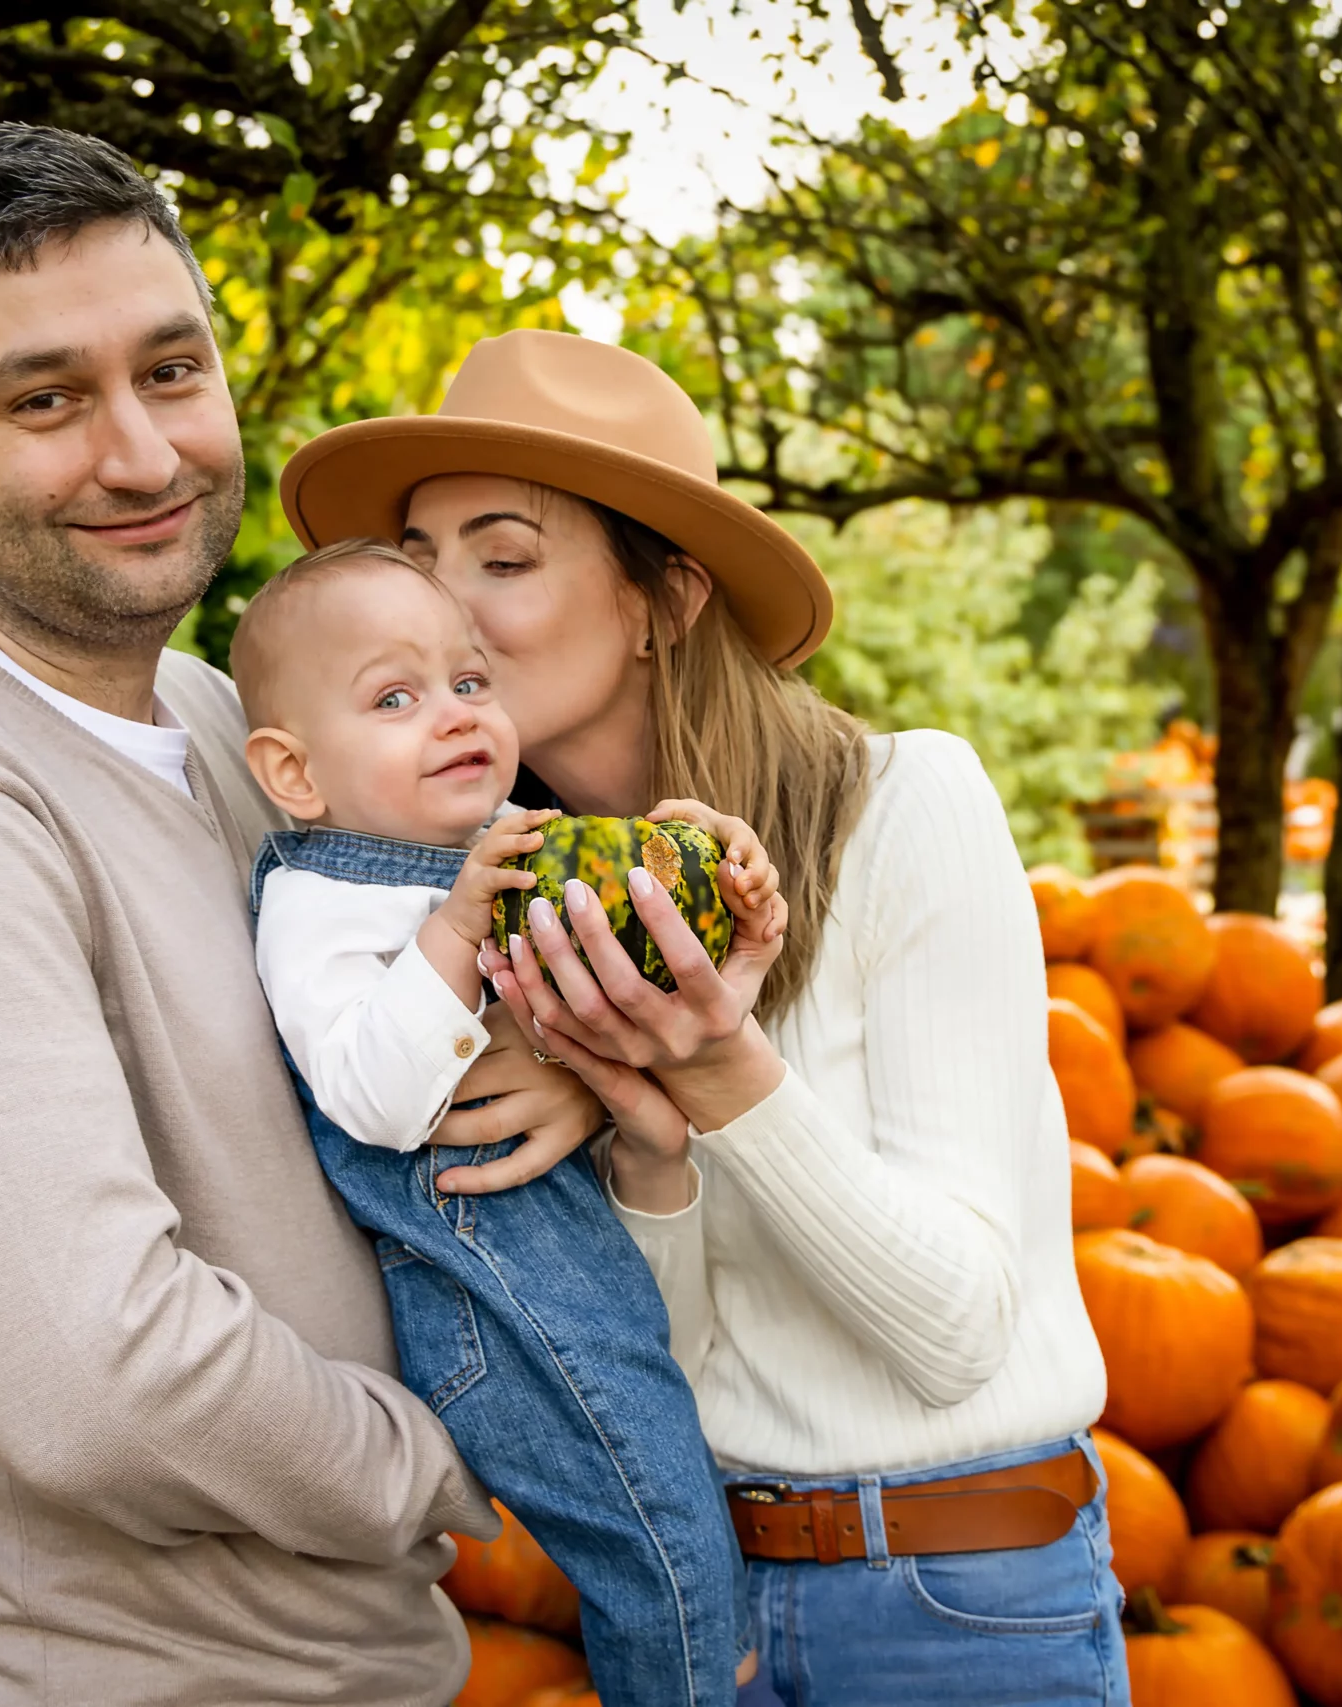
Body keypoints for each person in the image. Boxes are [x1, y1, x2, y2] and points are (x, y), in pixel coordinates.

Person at [0, 125, 608, 1705]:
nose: (141, 457)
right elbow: (90, 1371)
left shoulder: (224, 719)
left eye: (172, 370)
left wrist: (545, 1058)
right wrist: (437, 1461)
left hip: (354, 1659)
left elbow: (372, 1021)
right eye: (46, 398)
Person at [280, 328, 1124, 1706]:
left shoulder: (909, 806)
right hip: (701, 1610)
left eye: (502, 557)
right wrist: (646, 1137)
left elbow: (957, 1329)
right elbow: (667, 1364)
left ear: (662, 596)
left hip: (952, 1604)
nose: (449, 612)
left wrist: (723, 1066)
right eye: (424, 566)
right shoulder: (502, 914)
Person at [229, 538, 773, 1706]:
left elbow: (637, 1022)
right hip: (491, 1309)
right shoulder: (323, 903)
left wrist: (718, 901)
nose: (455, 714)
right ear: (294, 773)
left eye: (469, 682)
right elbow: (373, 1097)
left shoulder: (474, 859)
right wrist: (456, 931)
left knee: (673, 1521)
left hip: (571, 1284)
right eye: (395, 696)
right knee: (657, 1534)